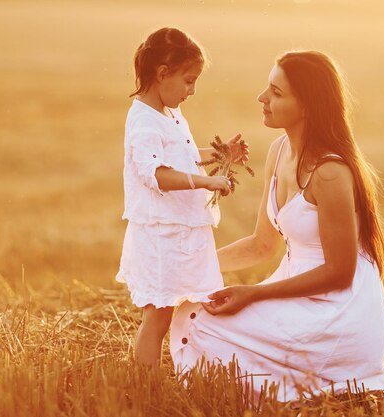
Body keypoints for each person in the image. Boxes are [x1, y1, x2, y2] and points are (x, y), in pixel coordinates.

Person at [170, 50, 384, 400]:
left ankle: (355, 375)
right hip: (296, 292)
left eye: (276, 92)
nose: (262, 98)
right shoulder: (279, 149)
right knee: (192, 310)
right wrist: (188, 266)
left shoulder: (330, 173)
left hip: (338, 310)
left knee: (202, 324)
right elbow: (262, 245)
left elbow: (340, 273)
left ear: (307, 105)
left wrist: (253, 294)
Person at [116, 27, 249, 366]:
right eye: (189, 80)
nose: (193, 90)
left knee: (184, 307)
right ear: (163, 74)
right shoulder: (144, 121)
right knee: (157, 315)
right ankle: (146, 385)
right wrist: (205, 182)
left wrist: (221, 154)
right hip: (161, 234)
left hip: (177, 229)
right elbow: (156, 174)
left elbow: (179, 157)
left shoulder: (168, 113)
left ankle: (191, 366)